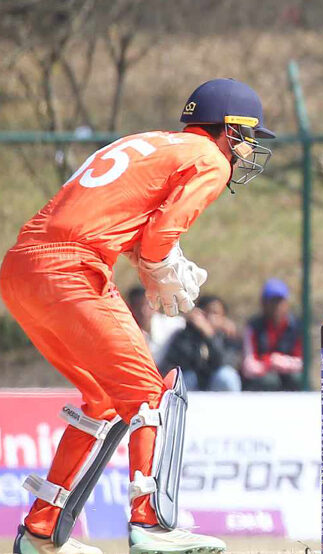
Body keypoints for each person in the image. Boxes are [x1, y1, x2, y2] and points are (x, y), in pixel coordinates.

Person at [0, 78, 273, 554]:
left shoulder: (147, 143)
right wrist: (160, 263)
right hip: (72, 269)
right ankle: (152, 524)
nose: (247, 150)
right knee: (152, 393)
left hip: (21, 267)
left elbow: (118, 221)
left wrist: (158, 261)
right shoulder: (208, 158)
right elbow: (157, 238)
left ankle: (42, 531)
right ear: (228, 129)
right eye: (247, 137)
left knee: (105, 399)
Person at [160, 296, 243, 392]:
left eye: (215, 313)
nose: (210, 317)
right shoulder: (186, 335)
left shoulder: (228, 336)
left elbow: (224, 362)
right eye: (206, 313)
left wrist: (209, 335)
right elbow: (181, 362)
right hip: (194, 384)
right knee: (187, 377)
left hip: (216, 384)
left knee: (227, 376)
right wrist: (192, 327)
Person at [241, 279, 304, 391]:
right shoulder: (253, 327)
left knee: (297, 378)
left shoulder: (296, 326)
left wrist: (283, 362)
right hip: (263, 377)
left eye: (279, 301)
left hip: (288, 374)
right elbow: (249, 365)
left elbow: (302, 362)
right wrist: (269, 362)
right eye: (272, 301)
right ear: (263, 304)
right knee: (270, 381)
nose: (276, 306)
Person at [125, 285, 185, 367]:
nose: (143, 311)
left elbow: (189, 321)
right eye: (137, 306)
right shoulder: (126, 331)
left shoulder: (170, 324)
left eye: (147, 305)